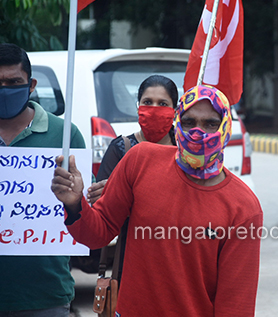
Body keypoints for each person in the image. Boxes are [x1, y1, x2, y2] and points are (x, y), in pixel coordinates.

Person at [51, 85, 263, 316]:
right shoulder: (139, 161)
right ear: (177, 124)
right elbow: (96, 234)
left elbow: (235, 304)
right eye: (189, 122)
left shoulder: (243, 207)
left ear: (225, 128)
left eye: (210, 123)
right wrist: (74, 204)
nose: (197, 132)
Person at [0, 43, 86, 316]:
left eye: (13, 82)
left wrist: (78, 199)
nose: (4, 89)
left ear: (31, 84)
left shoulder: (64, 135)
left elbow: (85, 216)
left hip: (45, 295)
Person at [87, 74, 178, 204]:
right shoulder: (120, 148)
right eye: (147, 102)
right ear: (138, 107)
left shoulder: (185, 148)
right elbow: (99, 201)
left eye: (162, 104)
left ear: (174, 110)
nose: (154, 109)